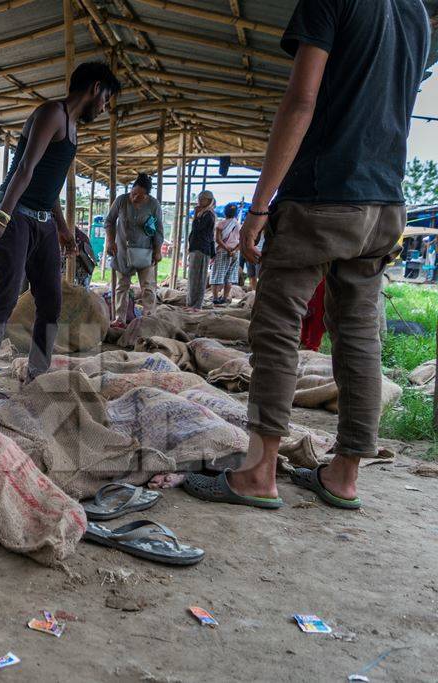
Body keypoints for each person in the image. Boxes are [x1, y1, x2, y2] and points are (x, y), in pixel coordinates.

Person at [184, 0, 431, 510]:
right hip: (384, 204)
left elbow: (301, 102)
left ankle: (258, 473)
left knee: (276, 327)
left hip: (321, 197)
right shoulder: (414, 15)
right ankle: (343, 475)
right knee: (359, 337)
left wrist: (258, 207)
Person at [0, 61, 122, 397]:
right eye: (106, 99)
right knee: (5, 299)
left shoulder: (73, 127)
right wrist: (3, 216)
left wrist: (63, 229)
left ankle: (37, 372)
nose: (105, 107)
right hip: (17, 215)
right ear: (95, 88)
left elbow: (48, 185)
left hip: (43, 221)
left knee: (50, 301)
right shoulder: (53, 113)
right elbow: (25, 167)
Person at [106, 172, 163, 326]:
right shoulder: (121, 200)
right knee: (122, 286)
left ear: (147, 196)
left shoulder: (153, 205)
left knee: (148, 287)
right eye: (133, 193)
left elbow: (158, 230)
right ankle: (120, 319)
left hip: (145, 252)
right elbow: (110, 221)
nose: (135, 197)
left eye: (140, 195)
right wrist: (111, 242)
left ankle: (148, 318)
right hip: (123, 251)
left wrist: (158, 250)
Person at [186, 190, 217, 309]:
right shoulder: (203, 214)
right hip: (197, 248)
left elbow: (198, 229)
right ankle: (191, 303)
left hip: (202, 249)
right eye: (199, 198)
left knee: (198, 279)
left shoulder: (208, 215)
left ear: (209, 201)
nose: (199, 201)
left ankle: (195, 305)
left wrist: (195, 216)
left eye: (202, 199)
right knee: (193, 277)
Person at [209, 203, 241, 304]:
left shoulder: (221, 224)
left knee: (217, 275)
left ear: (225, 212)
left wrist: (227, 249)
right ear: (236, 213)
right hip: (235, 253)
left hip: (222, 251)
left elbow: (218, 240)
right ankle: (225, 298)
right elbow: (241, 241)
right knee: (229, 277)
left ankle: (215, 298)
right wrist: (234, 250)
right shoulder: (239, 225)